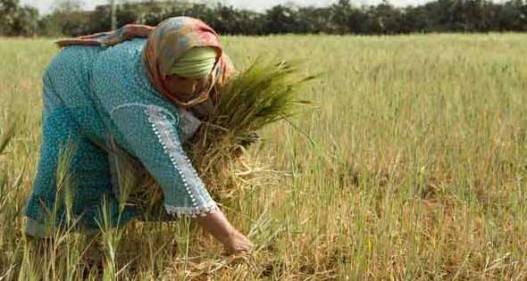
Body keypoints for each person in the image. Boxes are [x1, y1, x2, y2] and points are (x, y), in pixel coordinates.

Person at [23, 16, 253, 255]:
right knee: (72, 159)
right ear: (160, 69)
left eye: (198, 78)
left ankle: (95, 243)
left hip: (110, 75)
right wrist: (229, 236)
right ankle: (42, 243)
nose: (191, 89)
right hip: (72, 81)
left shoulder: (211, 59)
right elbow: (173, 170)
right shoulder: (136, 101)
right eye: (181, 78)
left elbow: (232, 108)